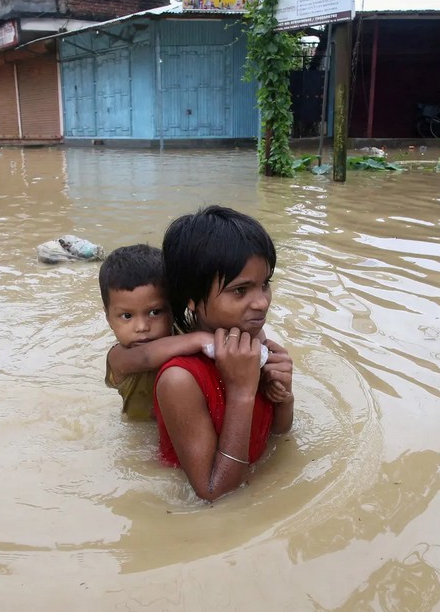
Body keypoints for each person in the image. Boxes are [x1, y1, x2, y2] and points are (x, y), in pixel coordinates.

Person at [154, 206, 294, 501]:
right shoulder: (180, 379)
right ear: (192, 298)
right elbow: (214, 492)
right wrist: (242, 391)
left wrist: (284, 394)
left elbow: (277, 435)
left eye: (265, 284)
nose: (261, 303)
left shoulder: (252, 339)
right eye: (240, 291)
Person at [100, 244, 214, 421]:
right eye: (127, 316)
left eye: (154, 312)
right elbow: (146, 357)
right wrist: (200, 339)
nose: (142, 327)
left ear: (173, 308)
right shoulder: (118, 357)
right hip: (141, 431)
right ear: (108, 318)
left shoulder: (183, 334)